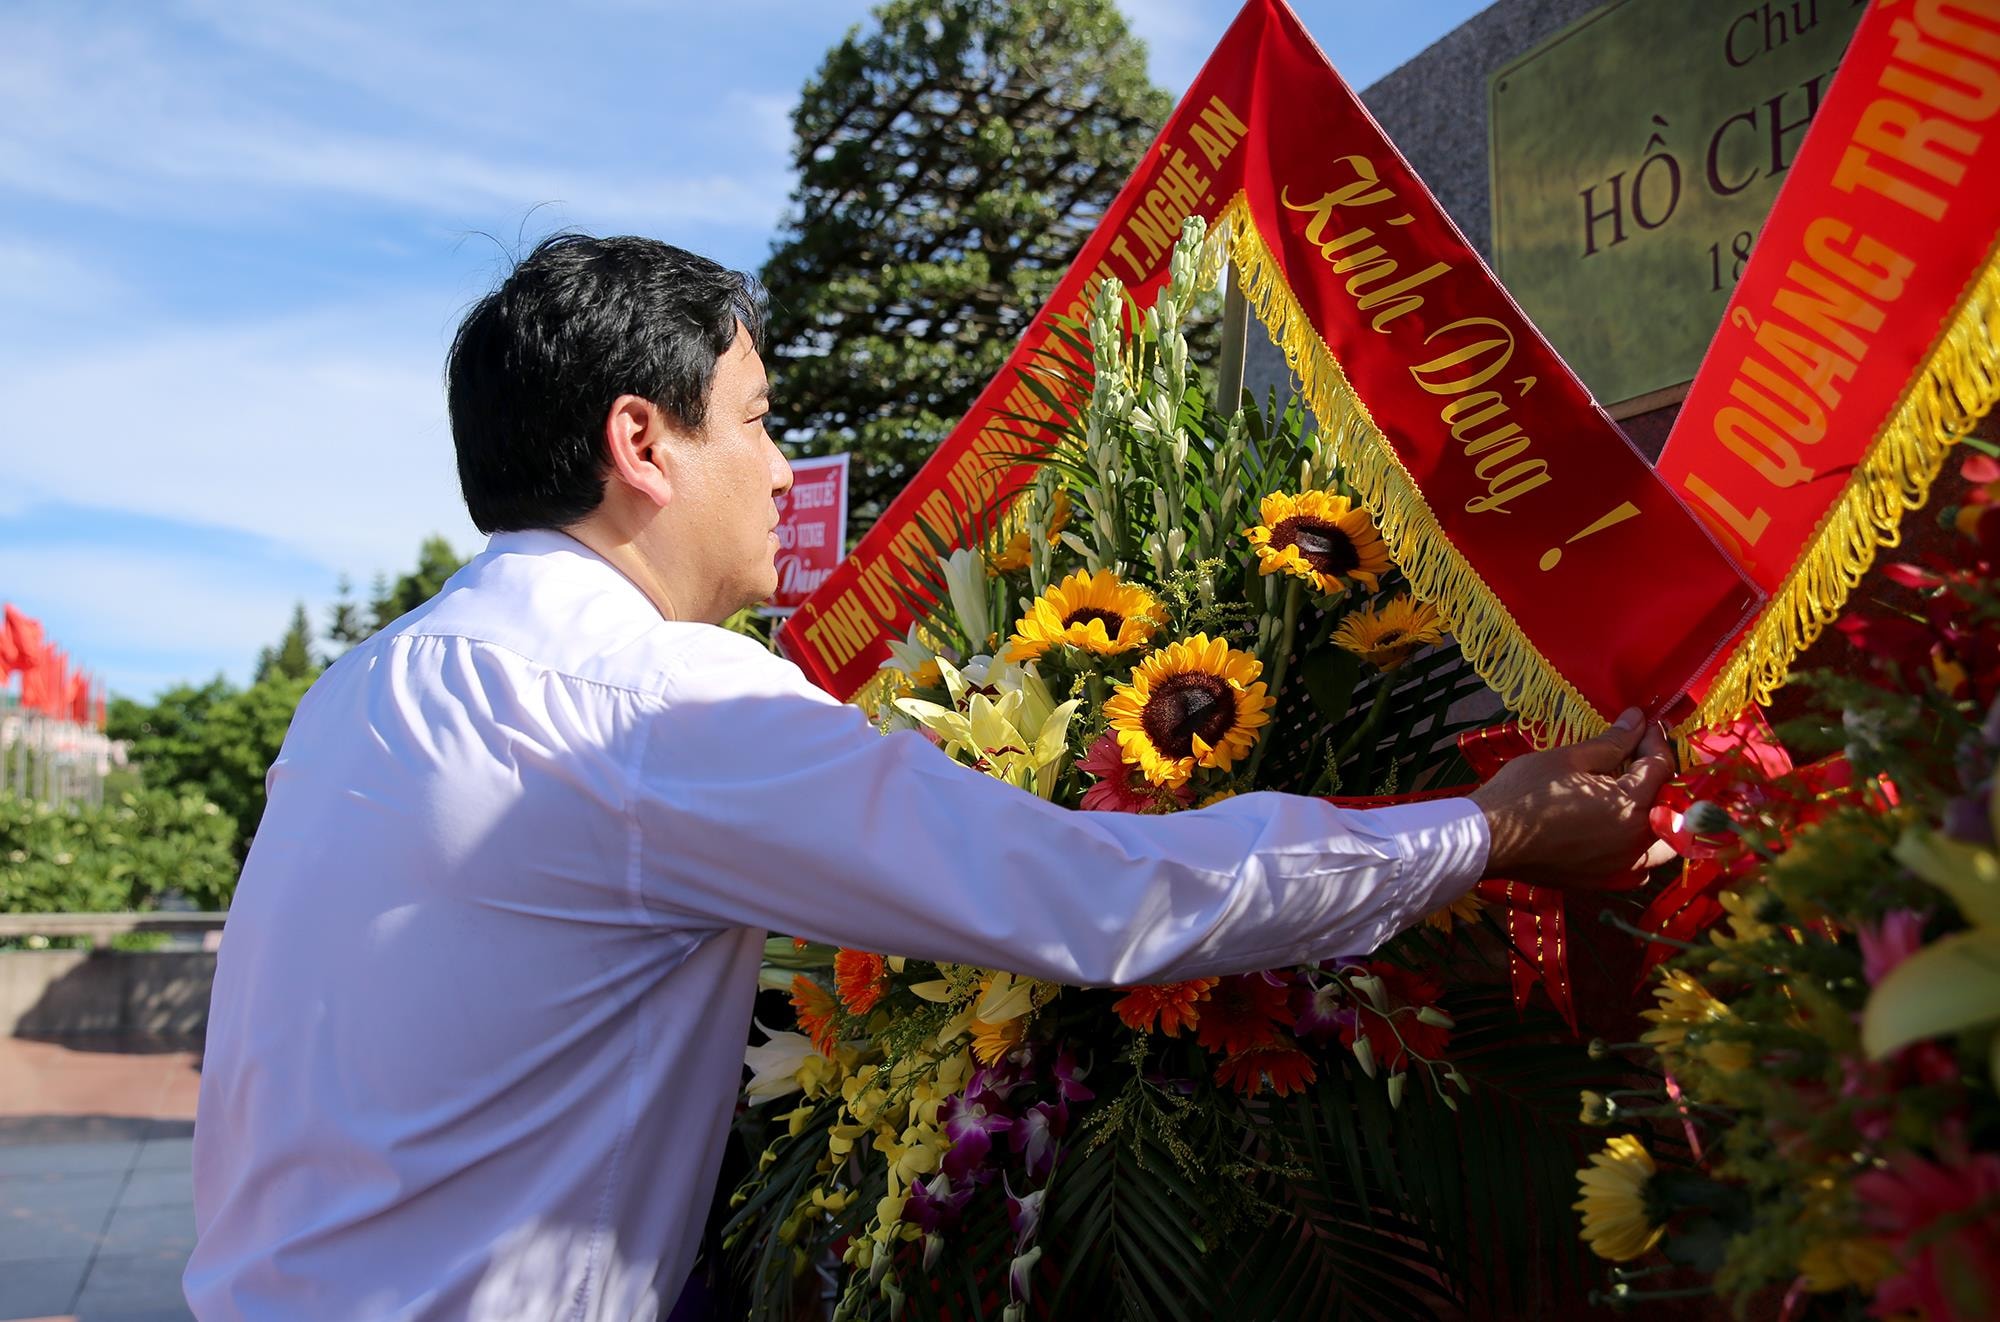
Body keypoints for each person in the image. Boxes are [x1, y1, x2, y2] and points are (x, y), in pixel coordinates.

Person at [185, 235, 1674, 1321]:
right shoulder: (650, 702)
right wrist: (1489, 827)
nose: (781, 470)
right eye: (757, 417)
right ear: (639, 440)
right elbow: (1102, 897)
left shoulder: (356, 690)